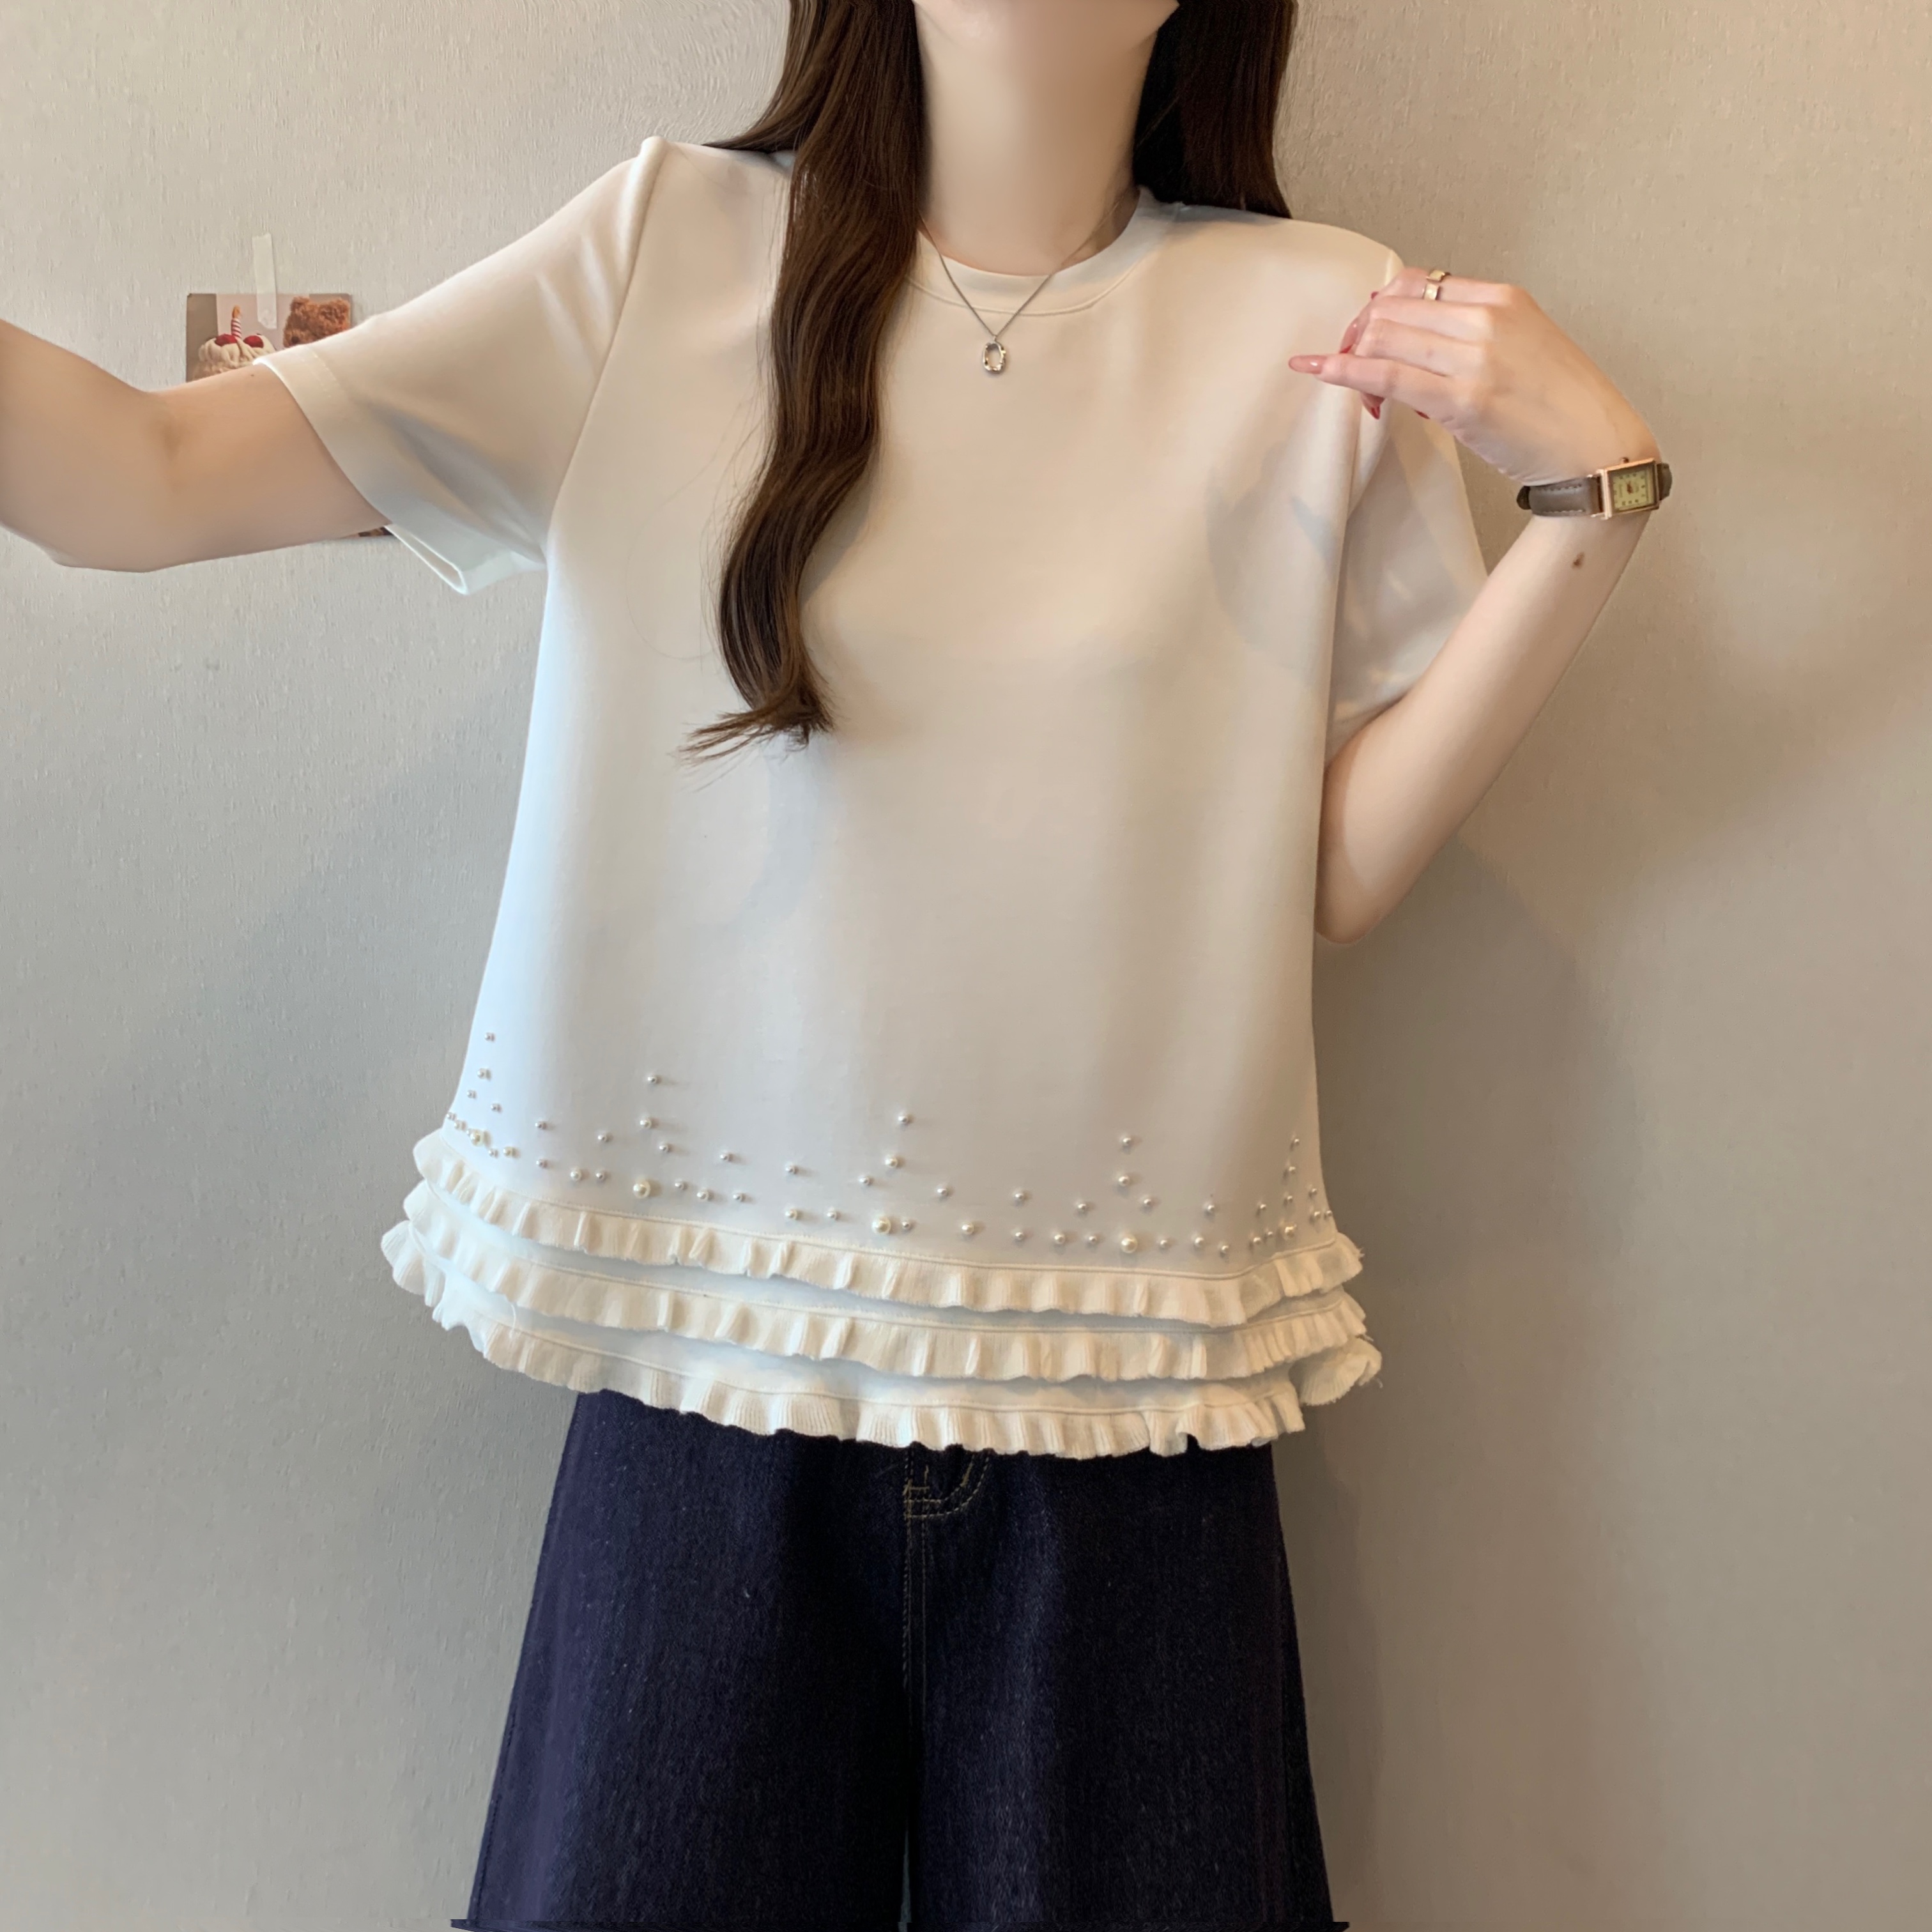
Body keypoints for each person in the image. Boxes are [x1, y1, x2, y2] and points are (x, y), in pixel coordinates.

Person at [0, 1, 1669, 1926]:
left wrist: (1594, 503)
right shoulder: (668, 247)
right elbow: (141, 479)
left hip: (1127, 1380)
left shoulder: (1326, 322)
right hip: (704, 1355)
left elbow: (1338, 866)